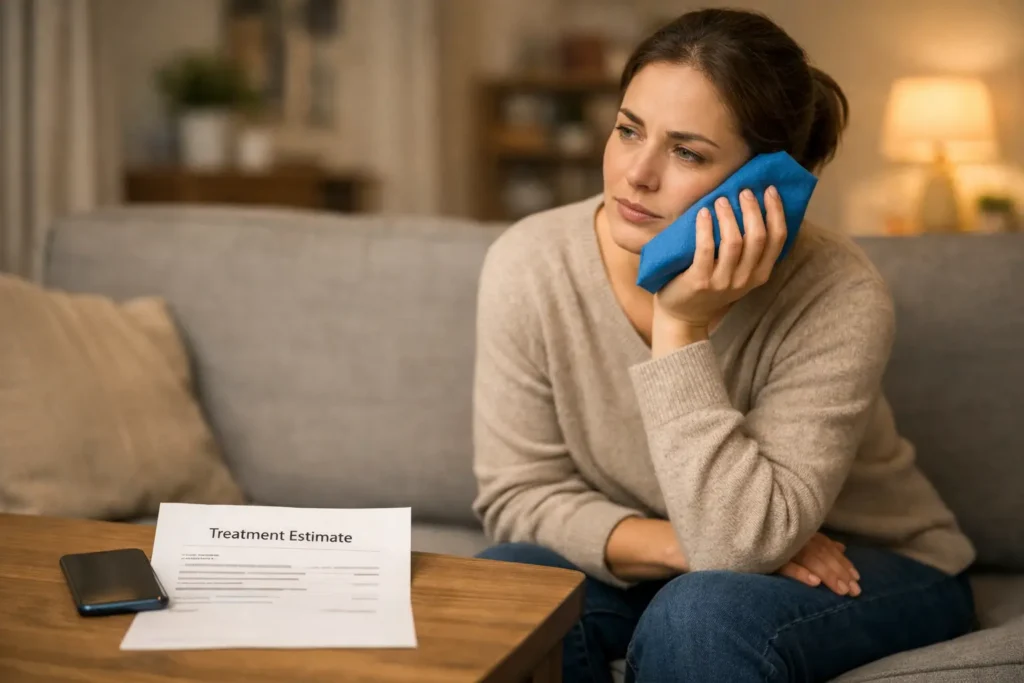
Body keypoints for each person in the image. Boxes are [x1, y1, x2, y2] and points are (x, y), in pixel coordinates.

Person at [471, 8, 977, 683]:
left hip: (869, 559)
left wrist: (679, 327)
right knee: (505, 587)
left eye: (686, 151)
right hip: (686, 558)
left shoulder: (838, 291)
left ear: (764, 181)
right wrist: (683, 547)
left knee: (701, 613)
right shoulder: (530, 263)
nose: (636, 174)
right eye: (628, 130)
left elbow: (741, 542)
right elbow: (518, 498)